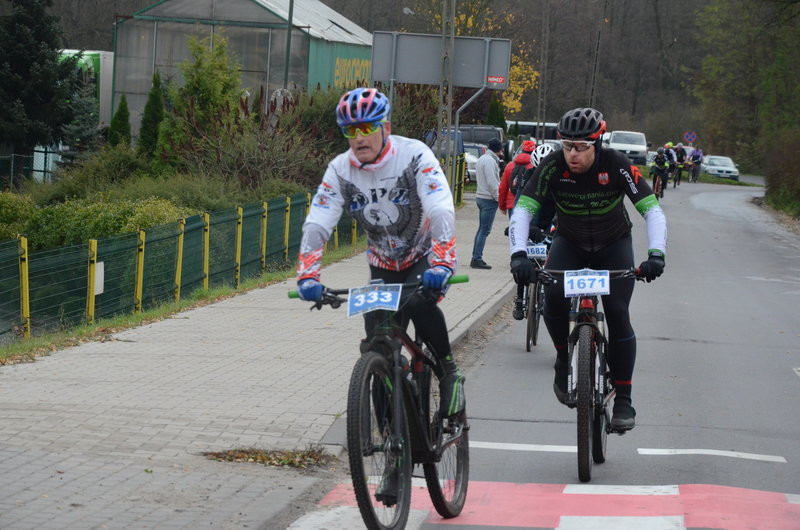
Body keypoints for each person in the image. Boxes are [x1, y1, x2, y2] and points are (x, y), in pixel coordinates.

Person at [295, 87, 465, 420]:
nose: (358, 138)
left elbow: (441, 208)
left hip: (424, 256)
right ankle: (391, 444)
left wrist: (443, 263)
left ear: (384, 127)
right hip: (383, 263)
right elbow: (318, 223)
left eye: (366, 128)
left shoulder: (414, 155)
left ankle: (449, 373)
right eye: (350, 131)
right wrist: (308, 275)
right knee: (377, 345)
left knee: (418, 302)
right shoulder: (341, 170)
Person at [507, 107, 667, 431]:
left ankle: (623, 398)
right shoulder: (552, 166)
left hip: (614, 244)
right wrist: (519, 255)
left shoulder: (617, 165)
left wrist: (656, 254)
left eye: (581, 147)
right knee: (552, 298)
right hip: (570, 242)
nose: (573, 154)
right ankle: (564, 357)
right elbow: (522, 209)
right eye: (567, 146)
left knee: (619, 313)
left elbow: (653, 211)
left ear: (598, 144)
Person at [470, 137, 503, 269]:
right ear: (499, 149)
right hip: (488, 199)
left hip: (480, 196)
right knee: (484, 230)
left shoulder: (482, 159)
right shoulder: (490, 161)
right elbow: (492, 182)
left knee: (481, 229)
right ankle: (477, 258)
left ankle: (475, 256)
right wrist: (498, 199)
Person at [498, 139, 536, 218]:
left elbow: (503, 187)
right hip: (528, 204)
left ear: (522, 150)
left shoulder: (510, 165)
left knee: (514, 229)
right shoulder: (534, 166)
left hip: (512, 205)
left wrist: (502, 205)